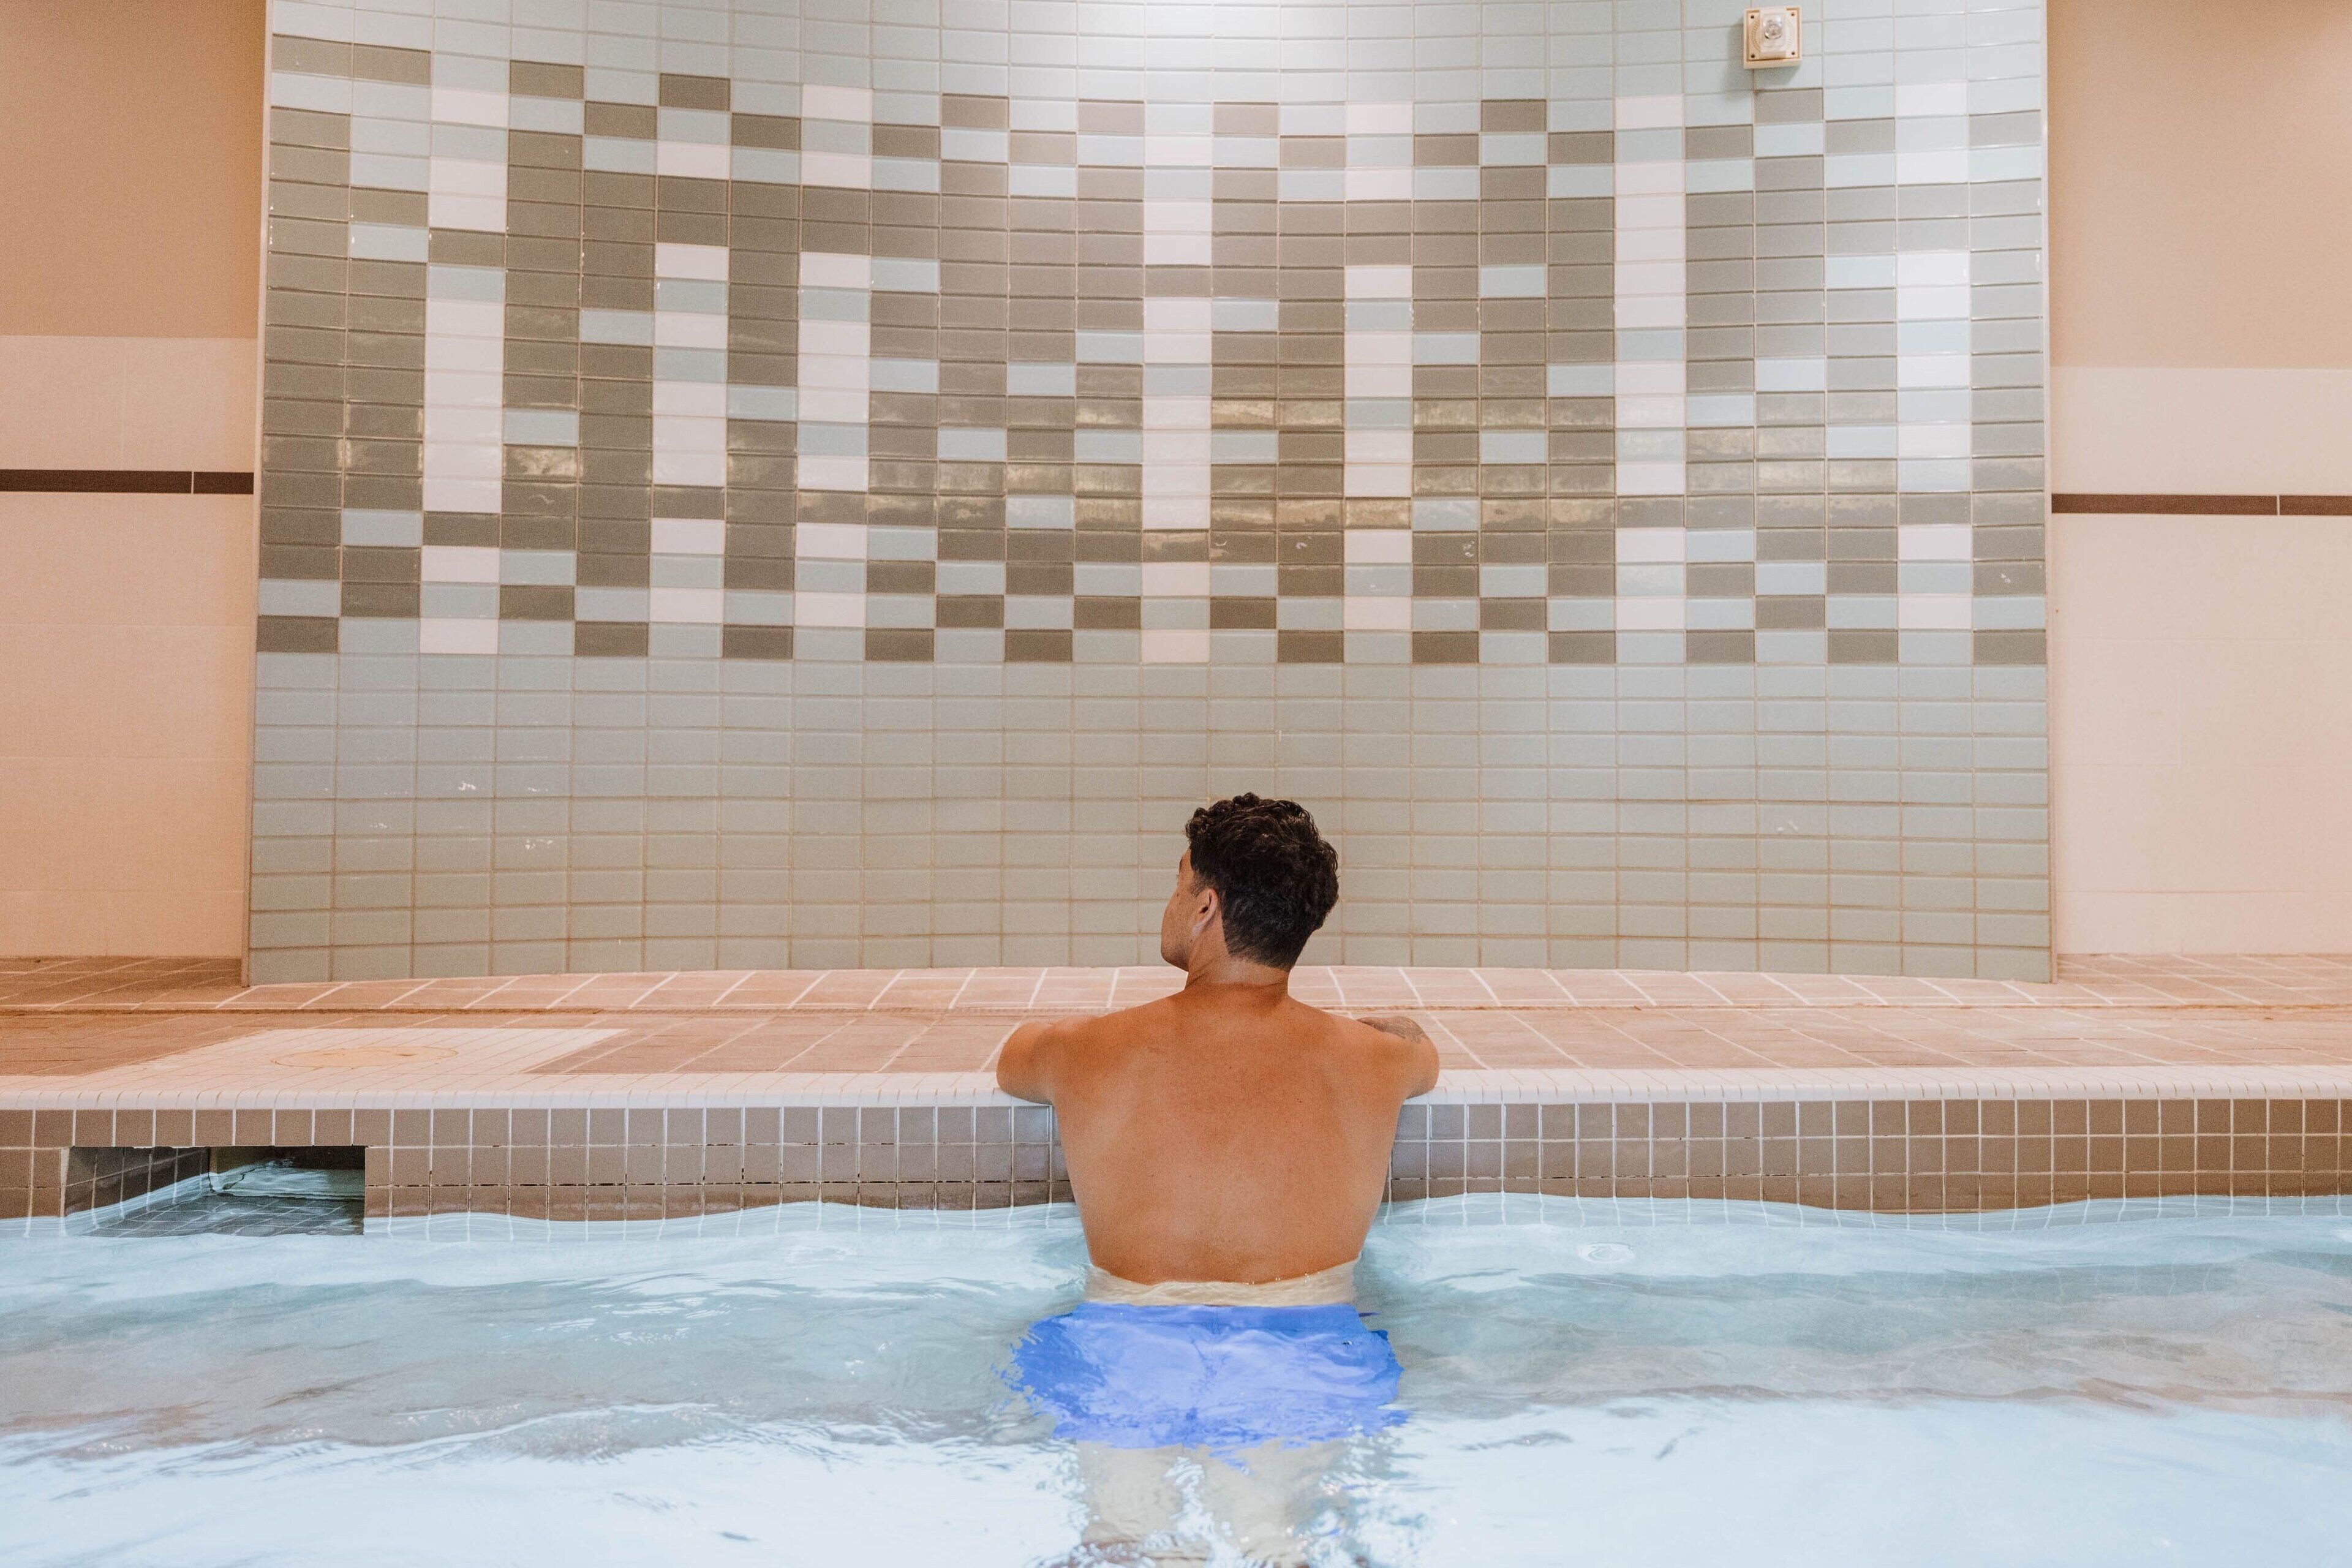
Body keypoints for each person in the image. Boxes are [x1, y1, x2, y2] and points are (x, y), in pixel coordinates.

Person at [997, 794, 1440, 1565]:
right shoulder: (1376, 1063)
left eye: (1178, 883)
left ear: (1205, 905)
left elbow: (1013, 1059)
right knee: (1274, 1538)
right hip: (1306, 1350)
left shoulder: (1082, 1050)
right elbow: (1419, 1048)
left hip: (1127, 1345)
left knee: (1124, 1535)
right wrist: (1390, 1026)